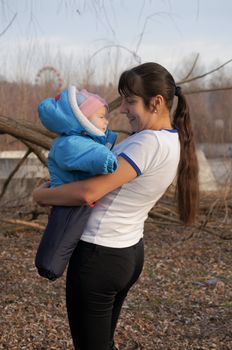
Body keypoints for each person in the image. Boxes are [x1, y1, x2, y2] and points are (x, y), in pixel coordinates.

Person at [33, 62, 199, 350]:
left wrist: (41, 196)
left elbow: (90, 192)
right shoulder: (169, 141)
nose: (122, 109)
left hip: (100, 256)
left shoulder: (148, 143)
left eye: (130, 101)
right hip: (125, 250)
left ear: (156, 102)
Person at [35, 86, 118, 281]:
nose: (106, 121)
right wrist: (110, 160)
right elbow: (93, 156)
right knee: (62, 236)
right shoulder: (71, 143)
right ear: (83, 119)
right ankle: (48, 266)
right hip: (70, 202)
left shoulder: (78, 140)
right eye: (100, 117)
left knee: (66, 234)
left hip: (72, 197)